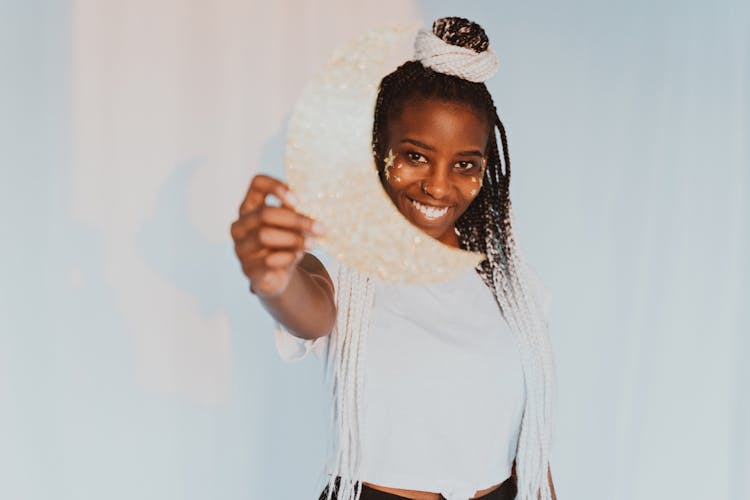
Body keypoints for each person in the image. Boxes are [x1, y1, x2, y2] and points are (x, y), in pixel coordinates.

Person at [230, 17, 557, 500]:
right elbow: (309, 311)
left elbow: (530, 455)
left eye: (464, 164)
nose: (439, 185)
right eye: (416, 156)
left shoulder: (510, 289)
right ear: (378, 150)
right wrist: (273, 277)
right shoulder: (347, 270)